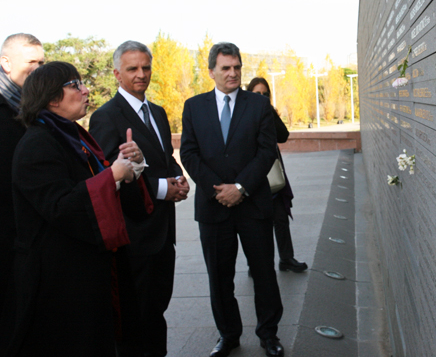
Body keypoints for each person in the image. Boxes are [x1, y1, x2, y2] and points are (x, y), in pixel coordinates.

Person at [8, 61, 153, 357]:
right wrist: (111, 176)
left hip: (90, 271)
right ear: (51, 97)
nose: (86, 90)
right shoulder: (36, 143)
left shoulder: (74, 136)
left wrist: (131, 167)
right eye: (75, 85)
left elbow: (103, 192)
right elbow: (60, 207)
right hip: (59, 280)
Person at [181, 43, 284, 357]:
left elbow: (267, 151)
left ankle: (269, 335)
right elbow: (189, 153)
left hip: (253, 205)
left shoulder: (258, 104)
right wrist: (219, 189)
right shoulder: (194, 107)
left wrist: (240, 187)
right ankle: (229, 335)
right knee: (219, 277)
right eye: (225, 68)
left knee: (264, 273)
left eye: (237, 67)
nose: (233, 73)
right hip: (214, 209)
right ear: (211, 71)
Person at [89, 40, 189, 357]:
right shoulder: (106, 117)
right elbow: (108, 178)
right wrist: (162, 189)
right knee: (135, 323)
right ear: (118, 73)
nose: (141, 74)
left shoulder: (157, 112)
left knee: (156, 314)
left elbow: (165, 159)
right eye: (132, 69)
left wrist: (179, 179)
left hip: (163, 235)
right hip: (134, 239)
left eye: (146, 67)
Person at [0, 33, 44, 356]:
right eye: (31, 62)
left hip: (30, 245)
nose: (38, 70)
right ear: (5, 63)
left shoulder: (35, 112)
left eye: (42, 63)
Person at [247, 77, 307, 273]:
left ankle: (286, 259)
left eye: (265, 94)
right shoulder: (243, 115)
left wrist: (268, 110)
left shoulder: (268, 113)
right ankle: (255, 264)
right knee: (257, 225)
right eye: (257, 94)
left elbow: (283, 135)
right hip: (253, 177)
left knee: (280, 217)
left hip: (273, 174)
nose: (262, 97)